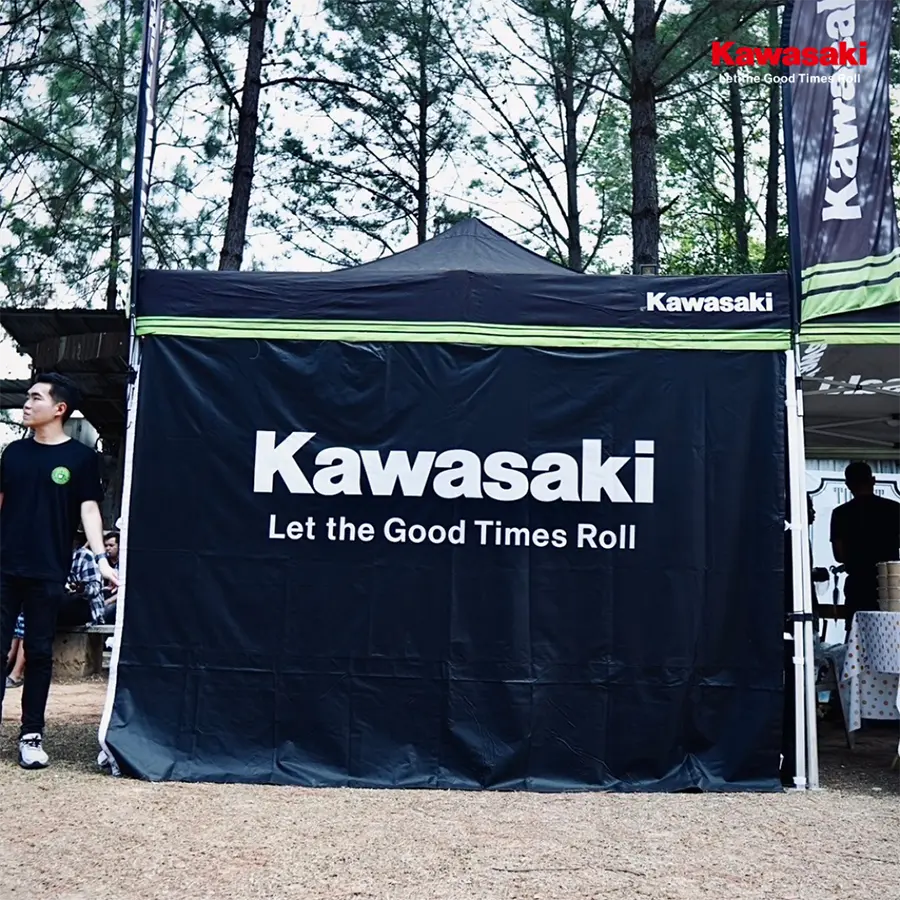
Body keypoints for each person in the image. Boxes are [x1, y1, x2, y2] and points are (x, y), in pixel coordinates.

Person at [0, 373, 118, 769]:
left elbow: (89, 509)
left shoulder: (81, 459)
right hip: (4, 566)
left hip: (48, 570)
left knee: (38, 652)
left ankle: (31, 735)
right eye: (27, 396)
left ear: (59, 409)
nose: (27, 403)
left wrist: (101, 559)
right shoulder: (13, 453)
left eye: (36, 397)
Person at [830, 461, 900, 623]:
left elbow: (839, 555)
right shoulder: (895, 509)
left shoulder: (841, 513)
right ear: (873, 480)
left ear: (848, 484)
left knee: (858, 630)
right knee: (893, 629)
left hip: (858, 584)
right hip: (890, 583)